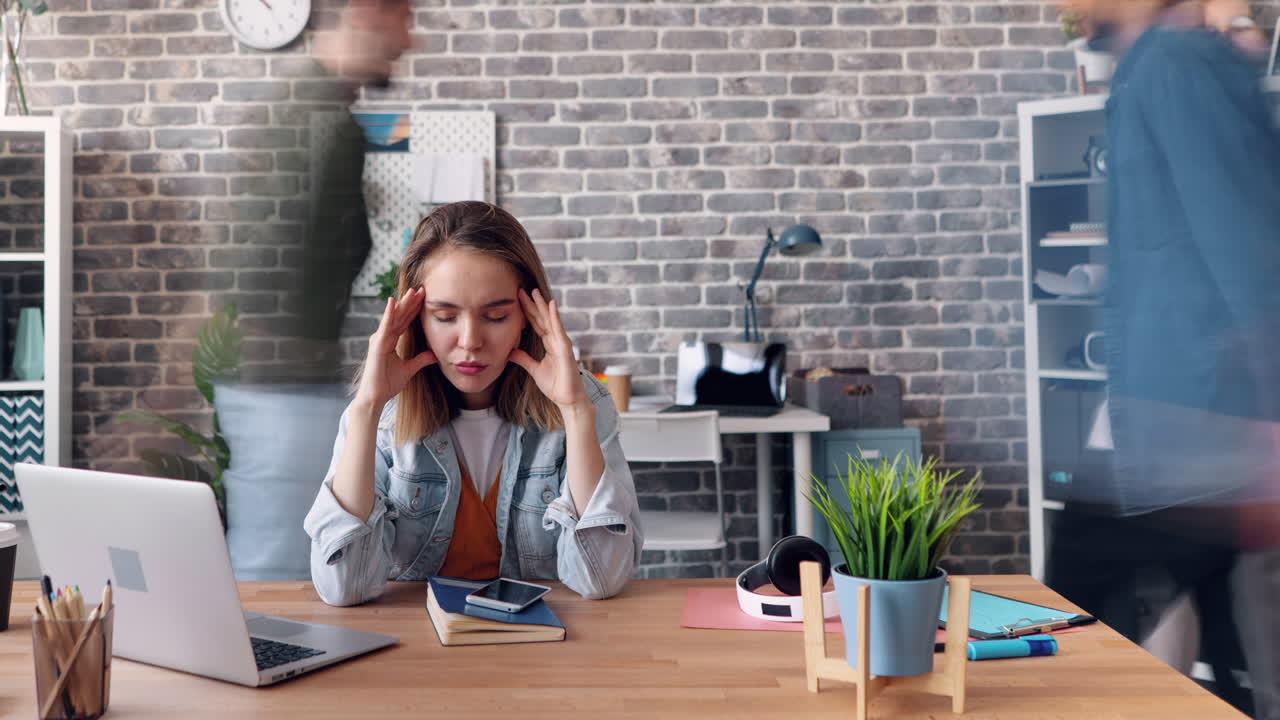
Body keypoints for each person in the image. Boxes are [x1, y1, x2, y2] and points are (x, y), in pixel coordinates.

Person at [1048, 1, 1280, 717]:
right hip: (1167, 398)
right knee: (1150, 598)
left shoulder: (1180, 66)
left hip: (1208, 405)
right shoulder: (1149, 70)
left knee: (1152, 596)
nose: (1064, 7)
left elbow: (1245, 240)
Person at [304, 202, 643, 606]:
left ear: (527, 318)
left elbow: (602, 579)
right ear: (416, 320)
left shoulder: (583, 402)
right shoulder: (382, 413)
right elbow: (345, 587)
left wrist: (575, 410)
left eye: (496, 316)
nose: (469, 341)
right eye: (445, 316)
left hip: (544, 654)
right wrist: (366, 409)